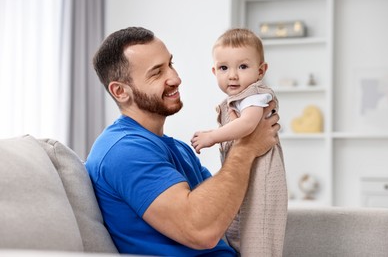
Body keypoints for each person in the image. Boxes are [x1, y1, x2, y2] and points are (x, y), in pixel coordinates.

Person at [85, 26, 280, 256]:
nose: (175, 78)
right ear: (120, 91)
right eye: (157, 72)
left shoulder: (179, 149)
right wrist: (246, 147)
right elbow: (201, 230)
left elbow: (225, 211)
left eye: (170, 64)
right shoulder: (122, 151)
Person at [191, 28, 288, 257]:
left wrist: (213, 136)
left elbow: (247, 125)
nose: (233, 75)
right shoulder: (235, 100)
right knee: (236, 233)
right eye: (224, 68)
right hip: (245, 178)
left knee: (259, 237)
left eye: (243, 67)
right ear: (214, 71)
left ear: (261, 70)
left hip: (262, 181)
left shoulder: (256, 95)